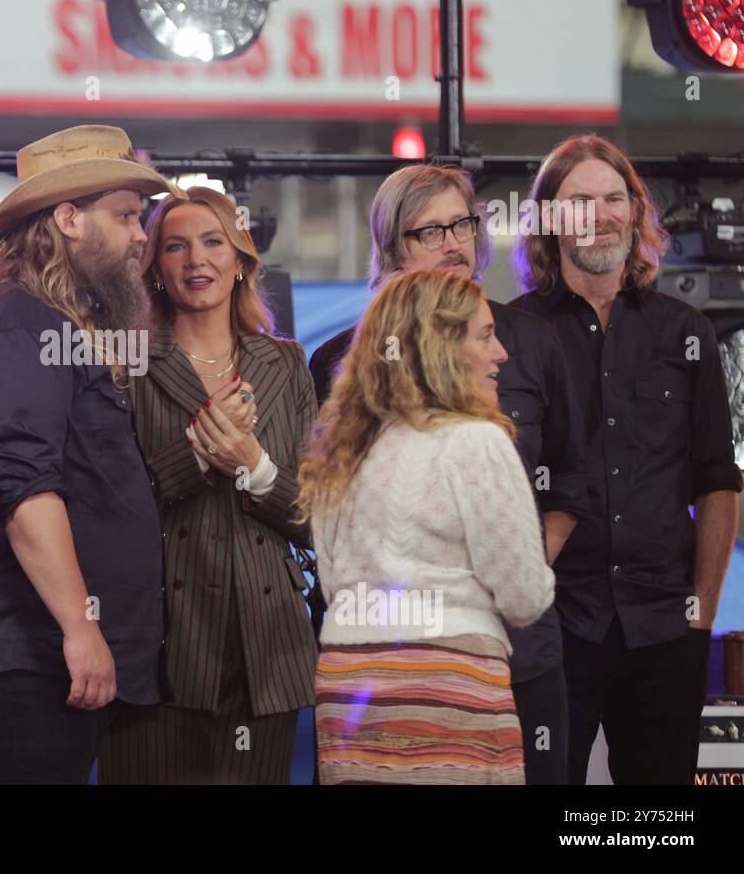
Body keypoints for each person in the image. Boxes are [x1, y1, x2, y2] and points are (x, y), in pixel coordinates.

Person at [0, 124, 184, 784]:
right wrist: (79, 625)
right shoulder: (15, 320)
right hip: (21, 661)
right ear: (68, 219)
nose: (139, 236)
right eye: (125, 215)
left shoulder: (53, 324)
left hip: (43, 659)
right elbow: (23, 486)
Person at [310, 165, 586, 784]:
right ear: (391, 248)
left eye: (462, 223)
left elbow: (571, 481)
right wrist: (499, 580)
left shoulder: (533, 343)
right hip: (447, 677)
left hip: (445, 665)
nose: (453, 243)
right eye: (429, 231)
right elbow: (521, 591)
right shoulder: (339, 365)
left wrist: (508, 566)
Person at [512, 134, 742, 784]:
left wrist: (702, 610)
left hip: (666, 629)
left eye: (615, 198)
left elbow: (717, 481)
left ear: (636, 213)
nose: (601, 213)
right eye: (581, 199)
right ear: (550, 217)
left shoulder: (686, 331)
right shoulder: (513, 332)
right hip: (552, 627)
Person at [97, 186, 318, 784]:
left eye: (213, 242)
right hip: (162, 645)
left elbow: (315, 517)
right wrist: (196, 453)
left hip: (266, 651)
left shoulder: (287, 362)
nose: (197, 260)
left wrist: (252, 461)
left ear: (242, 260)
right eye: (176, 246)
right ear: (155, 267)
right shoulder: (124, 361)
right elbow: (110, 506)